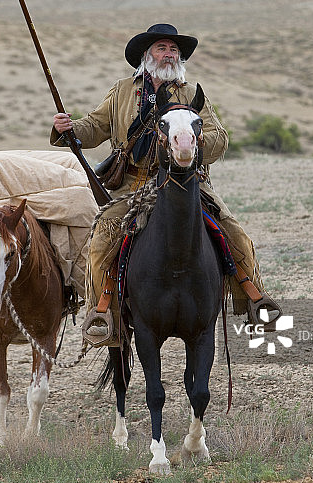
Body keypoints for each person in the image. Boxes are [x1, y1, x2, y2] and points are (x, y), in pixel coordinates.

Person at [51, 23, 280, 342]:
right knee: (102, 239)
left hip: (186, 183)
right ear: (146, 56)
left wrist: (193, 143)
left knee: (234, 232)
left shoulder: (190, 92)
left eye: (174, 49)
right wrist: (69, 127)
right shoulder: (121, 91)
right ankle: (104, 315)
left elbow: (219, 137)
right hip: (133, 187)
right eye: (162, 48)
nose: (169, 54)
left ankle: (256, 300)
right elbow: (95, 127)